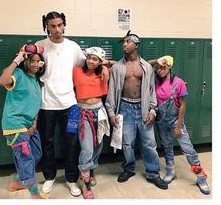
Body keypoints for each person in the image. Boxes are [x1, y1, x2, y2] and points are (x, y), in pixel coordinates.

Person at [105, 31, 168, 190]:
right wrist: (111, 112)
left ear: (136, 45)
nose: (124, 44)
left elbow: (151, 90)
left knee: (149, 143)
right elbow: (112, 91)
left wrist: (153, 110)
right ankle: (129, 168)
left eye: (128, 41)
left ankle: (153, 173)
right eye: (123, 42)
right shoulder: (118, 67)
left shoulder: (146, 67)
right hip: (124, 108)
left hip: (143, 108)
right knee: (127, 143)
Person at [35, 11, 86, 197]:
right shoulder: (40, 46)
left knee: (72, 143)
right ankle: (49, 177)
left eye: (60, 25)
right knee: (47, 142)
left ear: (64, 25)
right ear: (47, 27)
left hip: (70, 104)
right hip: (46, 104)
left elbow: (86, 65)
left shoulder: (73, 46)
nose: (57, 29)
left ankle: (72, 179)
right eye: (53, 26)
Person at [148, 55, 210, 195]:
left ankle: (201, 177)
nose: (159, 70)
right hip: (161, 122)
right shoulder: (156, 81)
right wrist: (156, 61)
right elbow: (144, 64)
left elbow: (182, 105)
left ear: (169, 67)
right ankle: (171, 170)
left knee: (188, 149)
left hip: (176, 121)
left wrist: (178, 126)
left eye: (163, 67)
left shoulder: (179, 82)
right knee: (167, 147)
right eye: (157, 68)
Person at [0, 44, 47, 199]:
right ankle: (34, 195)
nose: (36, 64)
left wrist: (34, 124)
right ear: (26, 61)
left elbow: (35, 105)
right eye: (32, 60)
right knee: (26, 158)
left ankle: (19, 181)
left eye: (39, 61)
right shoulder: (18, 74)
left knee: (36, 154)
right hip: (14, 124)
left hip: (29, 124)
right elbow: (2, 80)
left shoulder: (37, 81)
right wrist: (16, 60)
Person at [73, 47, 110, 199]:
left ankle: (91, 170)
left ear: (100, 61)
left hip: (99, 111)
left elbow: (122, 63)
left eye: (95, 59)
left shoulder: (103, 72)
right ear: (86, 57)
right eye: (89, 58)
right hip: (83, 112)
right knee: (87, 148)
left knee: (98, 145)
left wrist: (106, 65)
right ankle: (85, 183)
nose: (91, 61)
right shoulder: (76, 71)